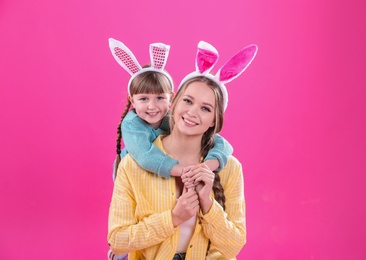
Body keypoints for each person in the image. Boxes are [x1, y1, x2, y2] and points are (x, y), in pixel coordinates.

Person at [108, 41, 258, 259]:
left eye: (205, 108)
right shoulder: (134, 162)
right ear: (174, 103)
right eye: (187, 101)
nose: (192, 112)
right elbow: (118, 242)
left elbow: (234, 246)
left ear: (214, 121)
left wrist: (207, 203)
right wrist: (173, 218)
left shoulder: (230, 168)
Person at [108, 38, 233, 182]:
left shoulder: (173, 118)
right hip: (136, 179)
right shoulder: (132, 124)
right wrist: (184, 171)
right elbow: (145, 156)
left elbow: (220, 142)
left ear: (171, 98)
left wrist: (208, 165)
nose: (152, 106)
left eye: (160, 98)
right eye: (144, 99)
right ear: (132, 101)